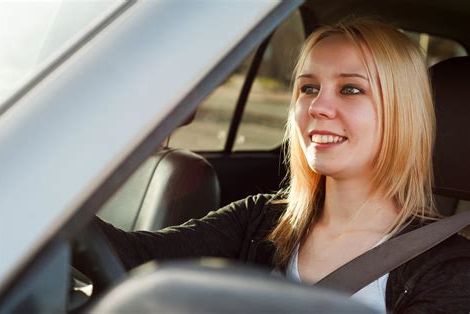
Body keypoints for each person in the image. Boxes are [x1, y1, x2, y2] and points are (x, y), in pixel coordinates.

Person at [95, 18, 470, 313]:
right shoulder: (261, 219)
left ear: (402, 114)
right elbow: (129, 257)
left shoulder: (450, 270)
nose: (317, 107)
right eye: (308, 88)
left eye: (350, 89)